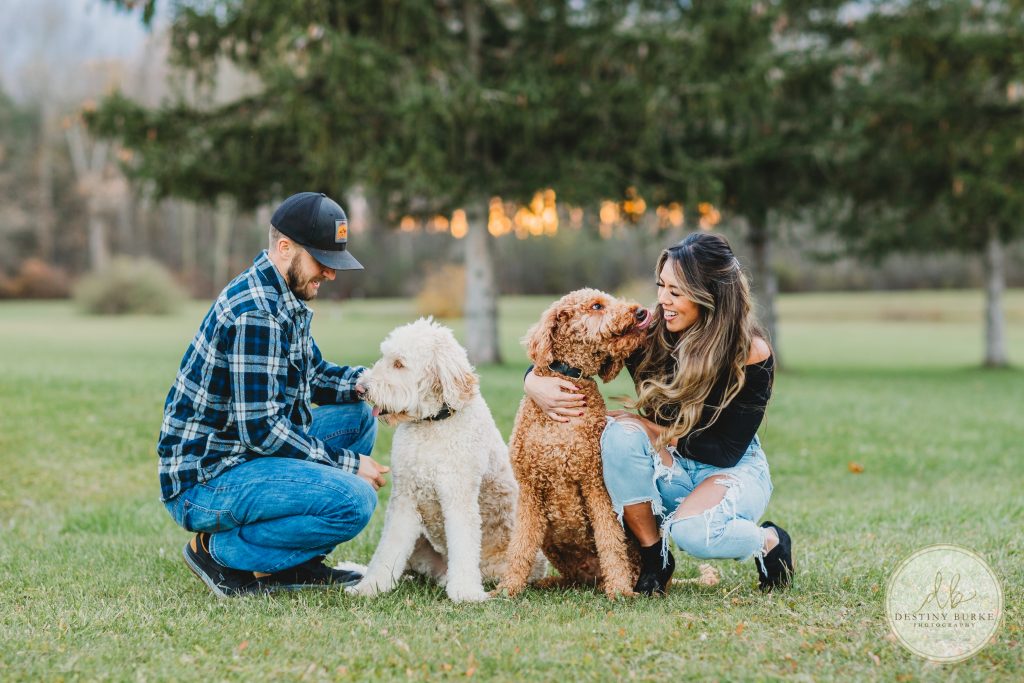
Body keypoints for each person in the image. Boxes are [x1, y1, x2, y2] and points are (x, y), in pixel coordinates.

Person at [524, 232, 793, 595]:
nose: (662, 301)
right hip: (671, 463)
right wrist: (533, 382)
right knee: (618, 435)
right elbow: (571, 346)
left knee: (694, 532)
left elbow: (724, 450)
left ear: (711, 294)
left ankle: (767, 542)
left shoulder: (750, 352)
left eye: (676, 292)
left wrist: (650, 427)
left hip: (730, 469)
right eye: (661, 286)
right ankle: (655, 558)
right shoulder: (649, 333)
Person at [158, 191, 390, 597]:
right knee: (354, 502)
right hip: (207, 477)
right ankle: (217, 553)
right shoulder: (257, 314)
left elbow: (315, 376)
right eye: (323, 262)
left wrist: (374, 383)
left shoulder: (283, 295)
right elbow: (262, 431)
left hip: (243, 452)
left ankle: (292, 564)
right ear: (286, 248)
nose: (330, 275)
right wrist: (348, 464)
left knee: (359, 415)